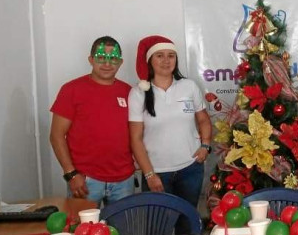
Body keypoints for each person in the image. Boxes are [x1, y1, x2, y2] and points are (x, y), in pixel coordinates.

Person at [128, 35, 212, 219]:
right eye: (159, 55)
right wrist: (149, 174)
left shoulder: (189, 86)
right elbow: (135, 139)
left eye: (171, 55)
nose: (166, 61)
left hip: (191, 169)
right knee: (158, 228)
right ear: (150, 60)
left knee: (188, 224)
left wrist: (205, 145)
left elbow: (204, 120)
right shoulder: (138, 93)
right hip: (157, 173)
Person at [50, 36, 136, 206]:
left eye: (113, 59)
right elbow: (56, 135)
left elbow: (136, 132)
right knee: (82, 232)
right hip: (85, 180)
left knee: (124, 232)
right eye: (101, 57)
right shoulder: (71, 90)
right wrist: (71, 174)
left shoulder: (129, 92)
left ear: (120, 62)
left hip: (124, 180)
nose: (107, 63)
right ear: (91, 60)